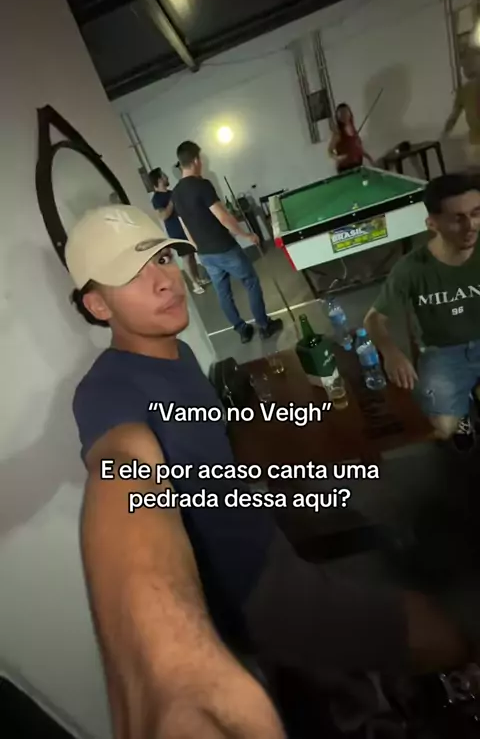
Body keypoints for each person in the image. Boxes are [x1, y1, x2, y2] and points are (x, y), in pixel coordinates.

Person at [67, 204, 467, 736]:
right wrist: (166, 669)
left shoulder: (176, 352)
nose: (164, 280)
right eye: (131, 274)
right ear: (98, 304)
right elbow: (123, 477)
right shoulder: (105, 391)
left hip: (266, 535)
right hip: (253, 590)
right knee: (439, 631)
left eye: (162, 258)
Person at [364, 173, 480, 446]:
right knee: (443, 428)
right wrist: (391, 353)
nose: (470, 226)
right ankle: (462, 409)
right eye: (457, 218)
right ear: (432, 224)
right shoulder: (411, 269)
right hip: (443, 353)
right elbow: (373, 319)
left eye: (476, 213)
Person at [172, 140, 282, 343]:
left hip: (205, 253)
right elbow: (222, 217)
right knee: (250, 281)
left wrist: (196, 248)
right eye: (200, 159)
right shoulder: (202, 185)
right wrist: (246, 235)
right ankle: (264, 326)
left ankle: (242, 330)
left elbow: (184, 225)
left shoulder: (176, 193)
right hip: (224, 247)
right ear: (195, 160)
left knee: (223, 293)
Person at [149, 167, 209, 295]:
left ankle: (198, 279)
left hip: (187, 228)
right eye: (164, 175)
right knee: (186, 257)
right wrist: (172, 201)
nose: (167, 177)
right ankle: (194, 284)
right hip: (176, 232)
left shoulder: (172, 192)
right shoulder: (157, 198)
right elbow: (163, 216)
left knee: (191, 255)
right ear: (159, 180)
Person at [443, 50, 480, 168]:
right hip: (475, 144)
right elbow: (455, 114)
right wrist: (446, 131)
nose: (465, 68)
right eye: (464, 66)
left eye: (470, 63)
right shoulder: (464, 90)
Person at [328, 103, 374, 173]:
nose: (344, 115)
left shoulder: (353, 129)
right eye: (341, 114)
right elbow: (330, 151)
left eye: (345, 112)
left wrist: (369, 157)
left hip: (358, 165)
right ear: (337, 117)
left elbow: (358, 148)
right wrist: (338, 158)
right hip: (346, 168)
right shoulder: (338, 133)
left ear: (350, 113)